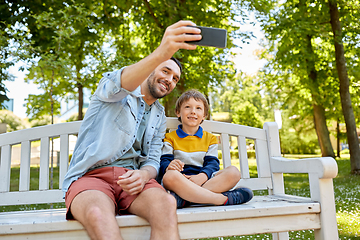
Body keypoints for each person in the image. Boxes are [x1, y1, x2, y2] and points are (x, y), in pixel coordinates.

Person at [62, 20, 203, 240]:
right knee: (97, 213)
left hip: (134, 181)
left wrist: (143, 174)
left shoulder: (158, 116)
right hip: (92, 177)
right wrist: (161, 52)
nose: (169, 80)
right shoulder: (113, 91)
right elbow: (120, 84)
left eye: (175, 79)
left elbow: (153, 160)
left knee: (166, 204)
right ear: (150, 68)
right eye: (165, 71)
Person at [158, 90, 253, 208]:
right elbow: (164, 162)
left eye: (198, 108)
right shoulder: (170, 138)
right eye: (187, 107)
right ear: (178, 112)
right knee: (169, 176)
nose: (193, 111)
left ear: (204, 115)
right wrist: (170, 166)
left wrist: (202, 176)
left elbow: (212, 164)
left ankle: (184, 199)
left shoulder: (210, 139)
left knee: (234, 172)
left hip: (204, 180)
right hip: (180, 181)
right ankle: (222, 199)